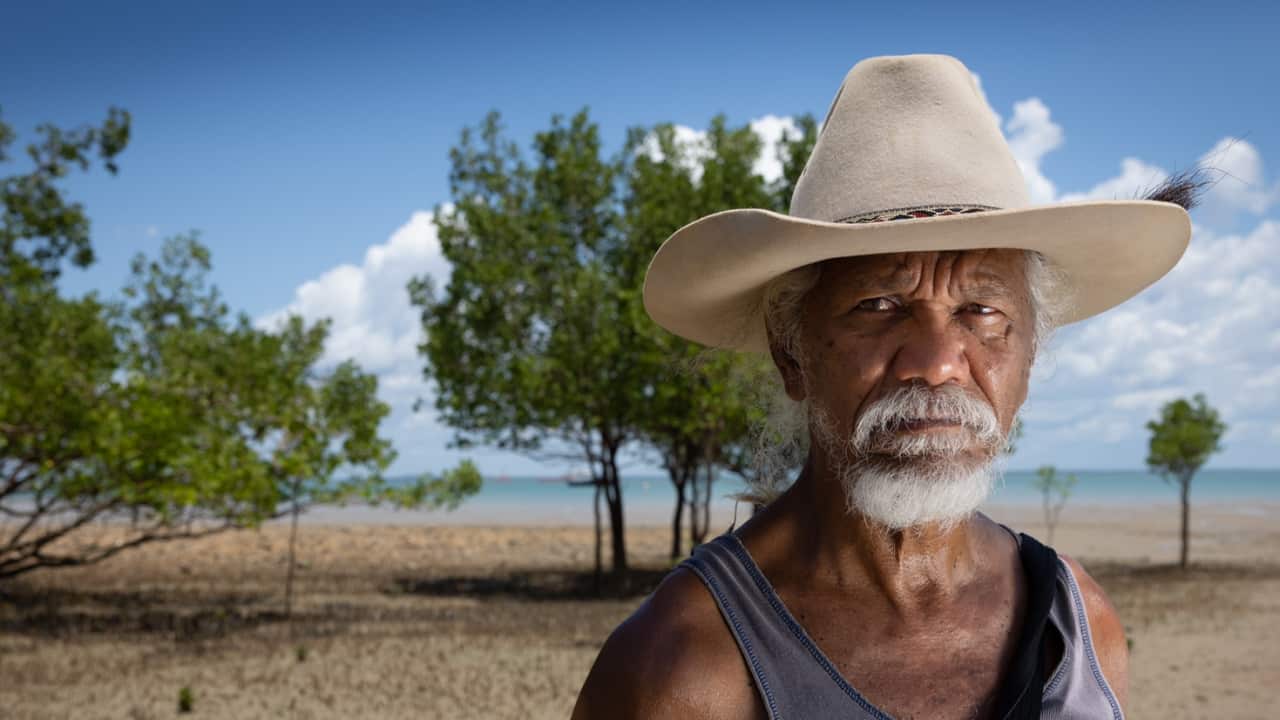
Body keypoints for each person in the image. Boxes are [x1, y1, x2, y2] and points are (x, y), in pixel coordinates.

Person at [571, 54, 1196, 719]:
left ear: (1030, 351)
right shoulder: (682, 668)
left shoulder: (1079, 624)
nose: (937, 362)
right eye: (879, 306)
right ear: (791, 352)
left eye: (981, 312)